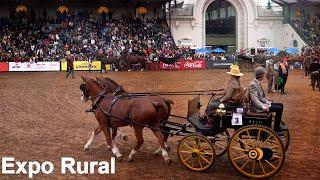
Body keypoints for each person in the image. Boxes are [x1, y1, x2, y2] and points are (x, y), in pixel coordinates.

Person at [248, 67, 284, 133]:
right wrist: (262, 106)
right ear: (261, 75)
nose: (264, 75)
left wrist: (265, 101)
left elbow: (260, 96)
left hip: (262, 103)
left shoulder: (256, 82)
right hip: (257, 107)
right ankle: (276, 129)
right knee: (278, 108)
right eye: (264, 74)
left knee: (281, 105)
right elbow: (254, 99)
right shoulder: (253, 84)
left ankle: (277, 127)